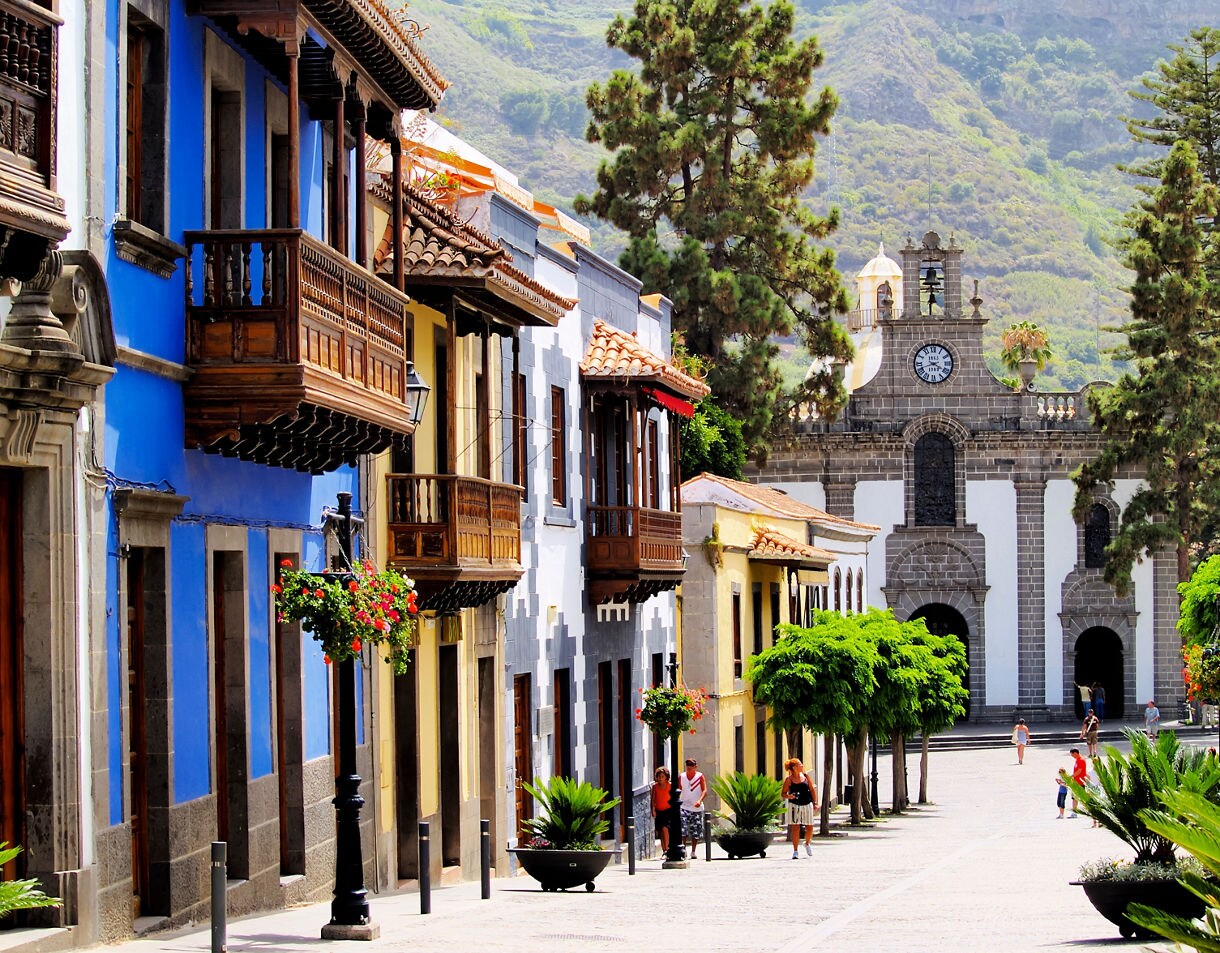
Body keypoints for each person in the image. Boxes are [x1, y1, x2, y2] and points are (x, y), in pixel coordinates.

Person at [781, 757, 818, 859]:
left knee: (809, 826)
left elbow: (811, 789)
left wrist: (815, 803)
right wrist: (789, 796)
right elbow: (783, 793)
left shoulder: (805, 777)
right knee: (795, 827)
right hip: (794, 805)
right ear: (794, 767)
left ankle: (807, 843)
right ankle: (795, 851)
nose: (802, 766)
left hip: (807, 804)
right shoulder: (789, 780)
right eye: (799, 764)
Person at [678, 758, 707, 854]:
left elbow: (704, 790)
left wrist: (699, 800)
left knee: (696, 830)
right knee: (683, 828)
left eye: (691, 767)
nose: (689, 769)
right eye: (688, 767)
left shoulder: (700, 776)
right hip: (684, 806)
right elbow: (678, 789)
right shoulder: (682, 777)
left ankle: (693, 851)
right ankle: (683, 849)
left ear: (695, 767)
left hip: (696, 808)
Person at [651, 766, 673, 853]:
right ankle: (664, 850)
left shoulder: (670, 785)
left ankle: (667, 848)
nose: (660, 778)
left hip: (668, 810)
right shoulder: (655, 787)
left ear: (666, 777)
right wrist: (653, 810)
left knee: (665, 828)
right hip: (659, 810)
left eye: (662, 777)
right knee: (660, 830)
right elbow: (653, 799)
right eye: (659, 776)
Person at [1068, 747, 1087, 818]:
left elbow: (1079, 771)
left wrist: (1070, 777)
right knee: (1074, 797)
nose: (1072, 756)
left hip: (1080, 782)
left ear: (1075, 753)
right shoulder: (1077, 760)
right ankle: (1074, 811)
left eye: (1072, 755)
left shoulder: (1081, 760)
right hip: (1076, 781)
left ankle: (1075, 812)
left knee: (1078, 797)